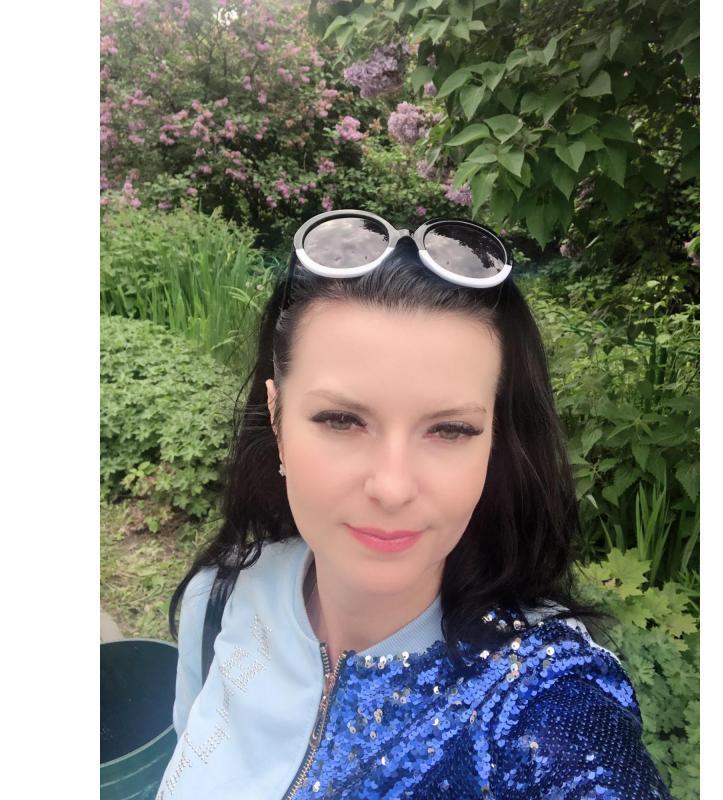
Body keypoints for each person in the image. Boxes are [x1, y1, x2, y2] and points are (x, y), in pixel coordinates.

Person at [156, 210, 671, 799]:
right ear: (276, 419)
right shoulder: (218, 600)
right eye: (341, 420)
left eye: (450, 430)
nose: (393, 487)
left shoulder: (540, 694)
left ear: (495, 443)